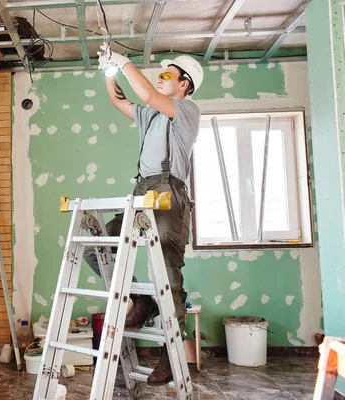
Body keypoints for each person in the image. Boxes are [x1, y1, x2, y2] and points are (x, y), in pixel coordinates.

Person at [82, 47, 204, 386]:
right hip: (141, 193)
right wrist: (109, 72)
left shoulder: (187, 111)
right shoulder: (150, 115)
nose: (161, 78)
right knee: (97, 248)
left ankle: (170, 351)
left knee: (167, 273)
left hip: (169, 194)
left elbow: (147, 92)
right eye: (161, 73)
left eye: (168, 74)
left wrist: (123, 61)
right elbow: (121, 102)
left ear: (184, 84)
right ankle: (143, 299)